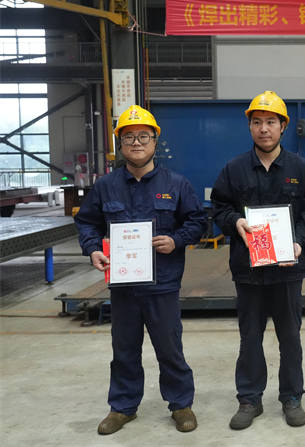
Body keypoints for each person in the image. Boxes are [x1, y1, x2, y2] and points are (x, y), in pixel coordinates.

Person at [74, 105, 207, 435]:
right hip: (123, 287)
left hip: (163, 284)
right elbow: (87, 222)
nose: (136, 142)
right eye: (129, 137)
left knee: (169, 348)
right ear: (120, 143)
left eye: (143, 136)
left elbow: (198, 222)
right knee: (124, 349)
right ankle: (122, 407)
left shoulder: (176, 184)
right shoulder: (105, 186)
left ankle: (181, 404)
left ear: (155, 141)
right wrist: (92, 249)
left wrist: (175, 240)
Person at [211, 91, 305, 430]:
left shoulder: (300, 168)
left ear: (283, 126)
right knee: (250, 338)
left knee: (290, 338)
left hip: (288, 269)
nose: (264, 128)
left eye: (271, 122)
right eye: (257, 122)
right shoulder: (234, 169)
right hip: (249, 270)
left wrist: (298, 242)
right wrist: (235, 222)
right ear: (249, 126)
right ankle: (249, 399)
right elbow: (219, 208)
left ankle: (292, 397)